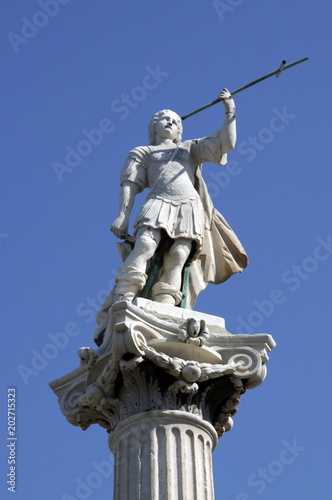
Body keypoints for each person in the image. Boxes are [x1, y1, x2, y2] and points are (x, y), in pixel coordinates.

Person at [93, 89, 248, 346]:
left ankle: (167, 300)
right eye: (164, 119)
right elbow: (130, 185)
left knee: (178, 255)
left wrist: (229, 111)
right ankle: (124, 293)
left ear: (180, 132)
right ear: (153, 128)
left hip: (188, 206)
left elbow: (225, 143)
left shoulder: (189, 149)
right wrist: (122, 216)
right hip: (157, 202)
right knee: (144, 245)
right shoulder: (142, 152)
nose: (171, 122)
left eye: (176, 121)